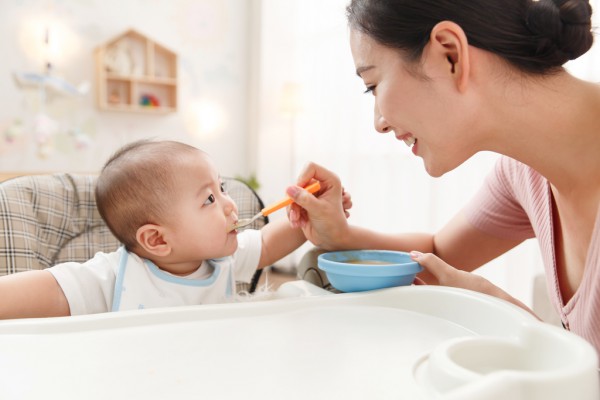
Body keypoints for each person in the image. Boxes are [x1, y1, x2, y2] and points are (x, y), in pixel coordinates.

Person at [285, 0, 600, 355]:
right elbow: (438, 255)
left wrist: (515, 321)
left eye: (372, 85)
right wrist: (339, 234)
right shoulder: (524, 173)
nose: (379, 123)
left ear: (450, 54)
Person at [0, 139, 309, 318]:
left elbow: (267, 244)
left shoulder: (222, 256)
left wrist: (309, 215)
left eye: (223, 187)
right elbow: (49, 290)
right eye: (210, 198)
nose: (230, 204)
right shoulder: (111, 278)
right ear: (157, 239)